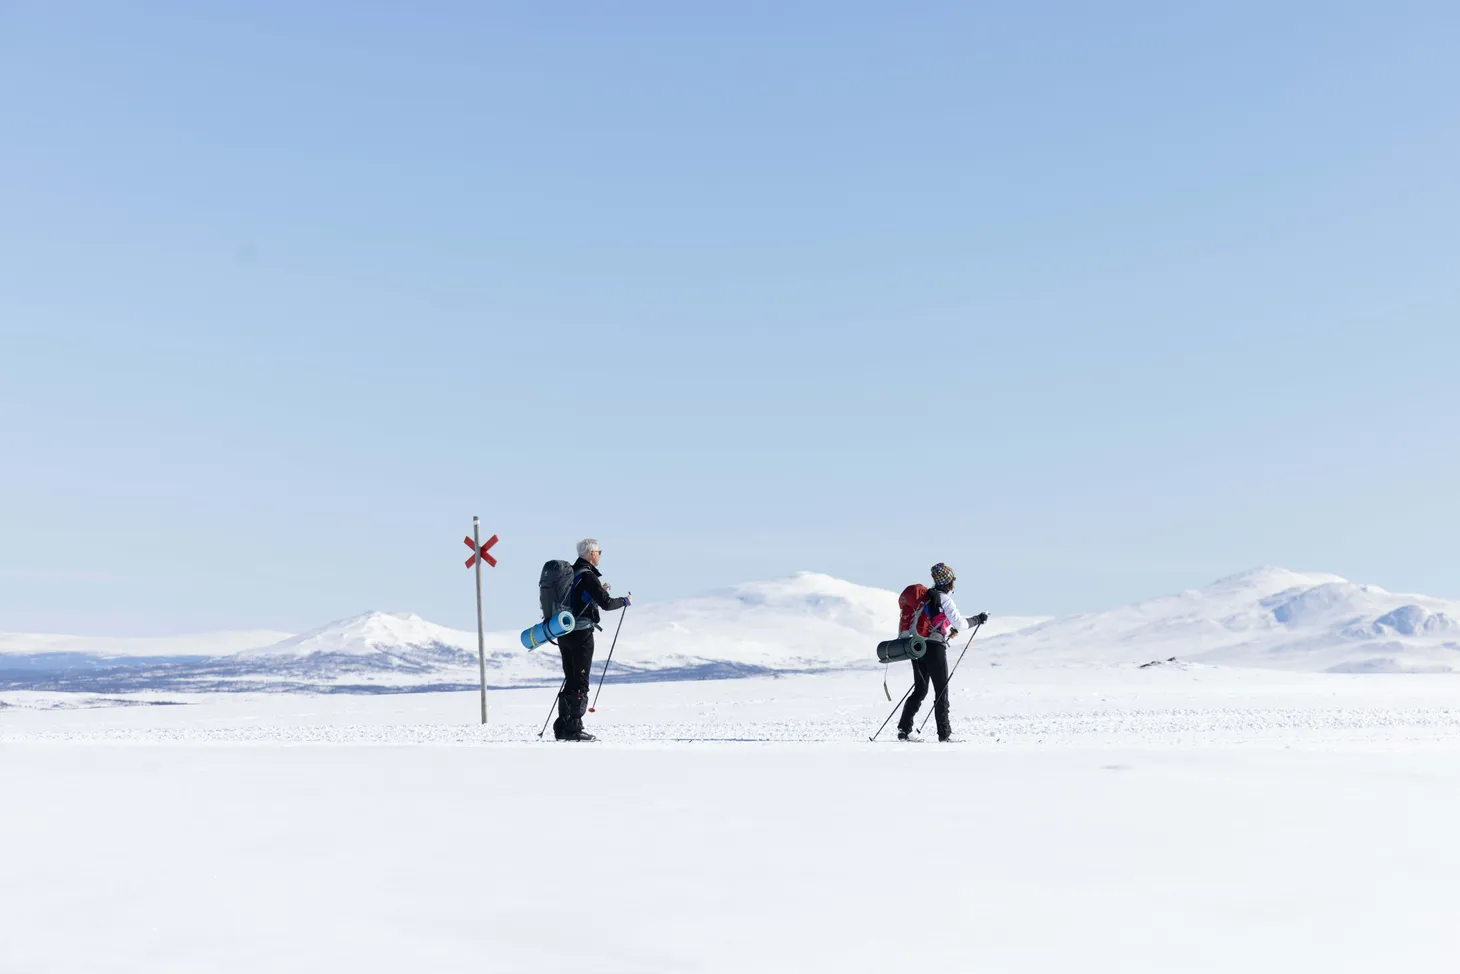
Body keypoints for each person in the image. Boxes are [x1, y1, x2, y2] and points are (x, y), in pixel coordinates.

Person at [898, 562, 988, 742]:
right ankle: (944, 734)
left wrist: (947, 631)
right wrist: (978, 619)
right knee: (941, 691)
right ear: (949, 582)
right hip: (935, 649)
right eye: (953, 579)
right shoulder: (945, 600)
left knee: (920, 690)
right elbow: (961, 624)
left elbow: (935, 622)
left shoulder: (925, 599)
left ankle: (904, 729)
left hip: (917, 647)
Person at [553, 538, 630, 742]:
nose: (600, 555)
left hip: (563, 631)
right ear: (592, 553)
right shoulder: (587, 576)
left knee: (570, 677)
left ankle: (562, 726)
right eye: (599, 552)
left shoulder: (569, 574)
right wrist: (624, 601)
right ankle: (574, 728)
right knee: (580, 680)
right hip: (582, 634)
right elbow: (605, 603)